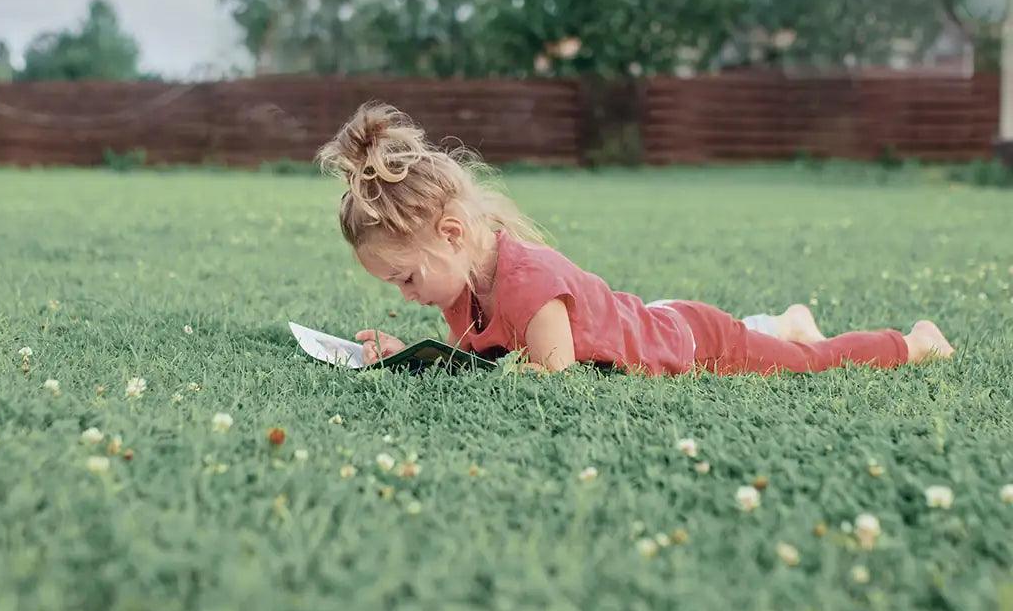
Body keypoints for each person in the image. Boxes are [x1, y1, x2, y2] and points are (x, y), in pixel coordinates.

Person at [317, 102, 954, 375]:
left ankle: (913, 342)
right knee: (681, 326)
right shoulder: (459, 288)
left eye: (405, 278)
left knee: (804, 364)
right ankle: (785, 320)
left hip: (693, 339)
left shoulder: (529, 286)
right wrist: (406, 355)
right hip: (652, 320)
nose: (405, 294)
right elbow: (471, 360)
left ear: (451, 234)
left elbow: (548, 376)